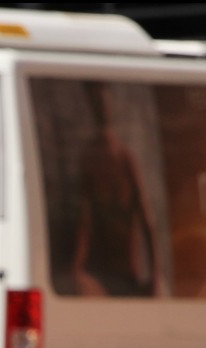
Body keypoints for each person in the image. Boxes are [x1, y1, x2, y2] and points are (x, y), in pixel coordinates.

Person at [69, 83, 158, 298]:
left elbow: (146, 218)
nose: (102, 107)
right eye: (97, 101)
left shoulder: (125, 158)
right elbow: (84, 221)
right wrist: (76, 269)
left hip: (129, 271)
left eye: (105, 100)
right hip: (101, 271)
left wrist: (155, 274)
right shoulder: (89, 160)